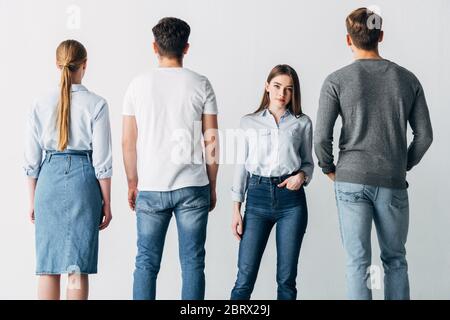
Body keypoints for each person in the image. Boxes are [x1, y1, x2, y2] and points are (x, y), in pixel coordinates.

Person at [314, 8, 433, 300]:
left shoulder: (336, 80)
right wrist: (402, 164)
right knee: (395, 260)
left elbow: (321, 137)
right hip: (392, 180)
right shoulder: (407, 79)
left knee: (358, 262)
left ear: (348, 39)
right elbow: (425, 136)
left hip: (350, 179)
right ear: (381, 36)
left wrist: (329, 167)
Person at [122, 17, 219, 300]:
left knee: (146, 263)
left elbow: (128, 141)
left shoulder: (137, 85)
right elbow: (211, 140)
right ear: (186, 48)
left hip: (151, 186)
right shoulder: (201, 84)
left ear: (154, 47)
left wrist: (132, 182)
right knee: (192, 263)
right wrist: (212, 184)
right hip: (193, 186)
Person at [24, 39, 113, 300]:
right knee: (76, 267)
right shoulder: (97, 104)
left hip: (48, 181)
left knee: (48, 267)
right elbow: (103, 161)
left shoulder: (38, 103)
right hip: (83, 183)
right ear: (84, 65)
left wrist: (32, 200)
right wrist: (107, 203)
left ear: (57, 64)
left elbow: (31, 161)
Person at [230, 64, 313, 300]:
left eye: (288, 89)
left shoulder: (302, 122)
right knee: (244, 278)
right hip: (256, 199)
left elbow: (308, 162)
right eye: (277, 86)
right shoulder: (248, 122)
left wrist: (301, 176)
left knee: (286, 280)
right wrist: (236, 209)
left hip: (291, 202)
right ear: (267, 86)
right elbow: (241, 166)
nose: (282, 94)